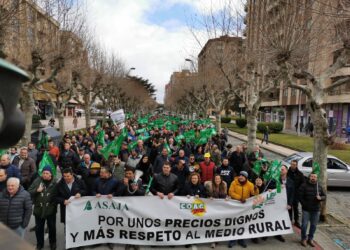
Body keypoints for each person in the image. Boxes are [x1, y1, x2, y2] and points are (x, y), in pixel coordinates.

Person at [28, 166, 57, 250]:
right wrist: (37, 190)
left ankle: (53, 243)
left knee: (52, 228)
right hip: (39, 210)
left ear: (51, 174)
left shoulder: (55, 182)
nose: (45, 175)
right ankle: (39, 244)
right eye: (43, 173)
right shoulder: (37, 180)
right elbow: (29, 191)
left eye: (47, 173)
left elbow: (59, 193)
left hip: (51, 210)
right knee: (39, 228)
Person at [228, 171, 258, 248]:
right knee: (234, 222)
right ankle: (232, 240)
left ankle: (241, 239)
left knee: (242, 223)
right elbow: (231, 192)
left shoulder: (250, 184)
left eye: (243, 176)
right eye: (240, 175)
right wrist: (239, 198)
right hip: (235, 205)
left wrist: (255, 189)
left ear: (246, 177)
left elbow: (255, 194)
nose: (240, 177)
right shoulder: (234, 182)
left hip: (245, 207)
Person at [299, 173, 326, 247]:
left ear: (316, 178)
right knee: (304, 225)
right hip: (306, 209)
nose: (313, 178)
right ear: (309, 177)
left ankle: (310, 239)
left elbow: (324, 196)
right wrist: (304, 204)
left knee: (313, 225)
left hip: (316, 210)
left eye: (315, 177)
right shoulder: (304, 185)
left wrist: (320, 198)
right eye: (312, 176)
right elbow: (300, 196)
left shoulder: (319, 186)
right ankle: (303, 239)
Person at [204, 174, 227, 248]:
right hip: (212, 208)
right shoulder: (209, 185)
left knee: (218, 224)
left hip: (220, 208)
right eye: (216, 179)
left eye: (219, 179)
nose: (217, 180)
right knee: (212, 224)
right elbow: (205, 194)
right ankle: (212, 241)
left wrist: (227, 197)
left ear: (221, 179)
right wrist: (208, 197)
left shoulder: (224, 185)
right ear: (214, 179)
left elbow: (225, 195)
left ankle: (217, 238)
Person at [287, 159, 305, 228]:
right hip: (288, 194)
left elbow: (303, 183)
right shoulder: (287, 173)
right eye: (292, 164)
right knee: (289, 208)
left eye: (294, 165)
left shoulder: (300, 174)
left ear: (296, 165)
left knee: (296, 208)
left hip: (296, 194)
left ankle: (296, 221)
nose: (293, 166)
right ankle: (289, 220)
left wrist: (299, 190)